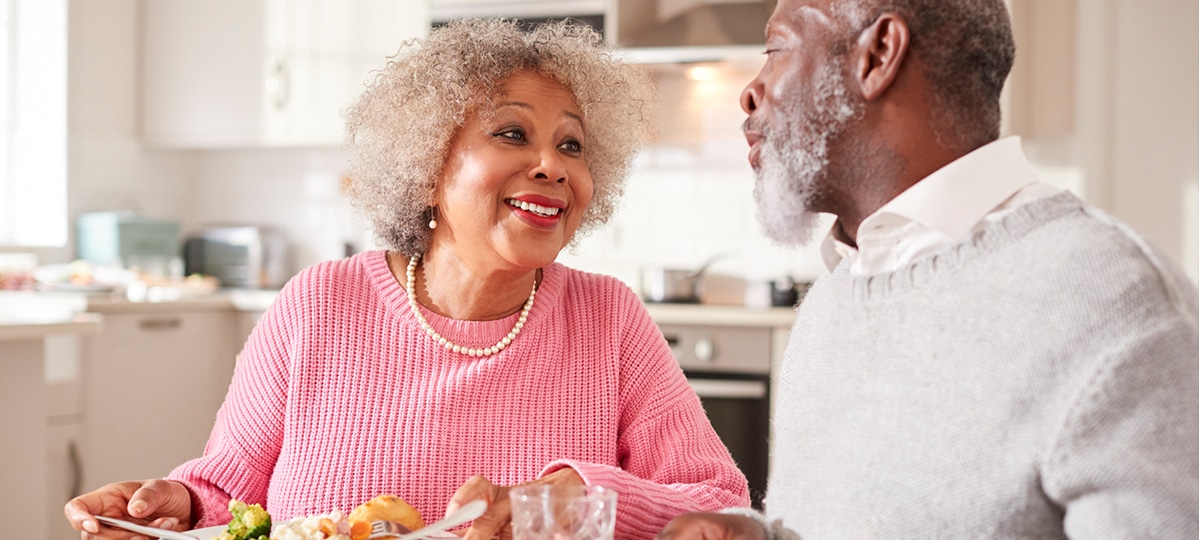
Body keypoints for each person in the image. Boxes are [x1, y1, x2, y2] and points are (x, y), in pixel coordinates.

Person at [66, 18, 750, 540]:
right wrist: (169, 508)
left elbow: (720, 506)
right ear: (427, 165)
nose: (551, 163)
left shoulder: (607, 319)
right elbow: (227, 493)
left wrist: (574, 500)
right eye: (511, 134)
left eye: (570, 144)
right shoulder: (318, 303)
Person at [658, 0, 1199, 538]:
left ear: (879, 55)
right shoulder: (838, 291)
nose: (750, 92)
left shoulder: (1112, 304)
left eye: (775, 50)